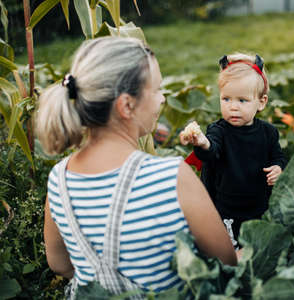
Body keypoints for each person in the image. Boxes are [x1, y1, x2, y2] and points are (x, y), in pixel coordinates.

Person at [36, 36, 237, 297]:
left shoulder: (59, 179)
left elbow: (59, 265)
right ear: (127, 105)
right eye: (156, 90)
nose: (162, 99)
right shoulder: (171, 177)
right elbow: (226, 263)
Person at [179, 53, 287, 248]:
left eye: (242, 101)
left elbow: (278, 156)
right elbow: (211, 151)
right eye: (226, 99)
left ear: (261, 102)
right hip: (224, 204)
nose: (233, 107)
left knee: (256, 243)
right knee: (229, 246)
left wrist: (278, 168)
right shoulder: (218, 130)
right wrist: (201, 142)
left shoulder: (269, 133)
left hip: (259, 202)